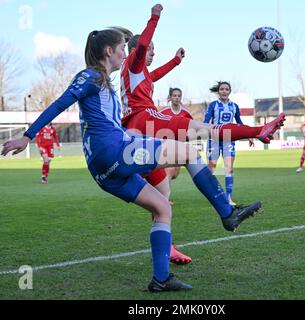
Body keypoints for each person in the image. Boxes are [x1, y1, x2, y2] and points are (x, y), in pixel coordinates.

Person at [0, 18, 264, 292]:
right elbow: (60, 103)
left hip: (104, 172)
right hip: (115, 152)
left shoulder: (106, 83)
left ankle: (161, 279)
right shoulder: (89, 76)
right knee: (189, 152)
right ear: (108, 53)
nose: (124, 54)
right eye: (120, 48)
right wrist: (28, 136)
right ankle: (227, 212)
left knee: (162, 208)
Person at [120, 4, 285, 266]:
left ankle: (167, 254)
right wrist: (154, 17)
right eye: (152, 50)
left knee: (161, 200)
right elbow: (140, 47)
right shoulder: (134, 61)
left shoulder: (140, 75)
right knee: (202, 130)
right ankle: (257, 132)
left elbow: (156, 74)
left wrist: (175, 61)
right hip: (144, 119)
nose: (152, 53)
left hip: (136, 132)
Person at [204, 81, 253, 206]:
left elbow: (239, 122)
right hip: (214, 139)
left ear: (230, 91)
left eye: (226, 89)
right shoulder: (213, 105)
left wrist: (248, 134)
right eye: (222, 89)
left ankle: (228, 197)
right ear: (218, 91)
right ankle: (212, 196)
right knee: (211, 169)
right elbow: (206, 121)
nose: (224, 91)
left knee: (229, 168)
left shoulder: (234, 106)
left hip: (228, 139)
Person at [160, 87, 193, 182]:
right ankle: (164, 196)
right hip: (167, 145)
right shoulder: (163, 112)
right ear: (170, 97)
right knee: (169, 172)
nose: (177, 98)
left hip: (180, 146)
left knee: (175, 174)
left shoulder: (186, 113)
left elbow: (191, 127)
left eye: (179, 96)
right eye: (174, 96)